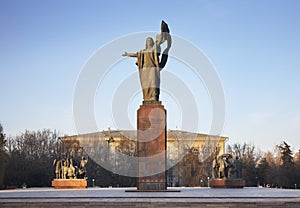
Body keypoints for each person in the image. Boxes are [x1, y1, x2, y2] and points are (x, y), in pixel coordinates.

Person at [122, 21, 171, 102]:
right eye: (147, 40)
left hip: (152, 69)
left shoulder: (154, 48)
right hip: (144, 70)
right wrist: (127, 54)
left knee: (153, 83)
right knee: (146, 85)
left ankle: (154, 97)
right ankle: (147, 98)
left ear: (152, 42)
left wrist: (163, 34)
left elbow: (158, 43)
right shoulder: (142, 51)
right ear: (146, 43)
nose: (149, 41)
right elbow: (136, 54)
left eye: (150, 40)